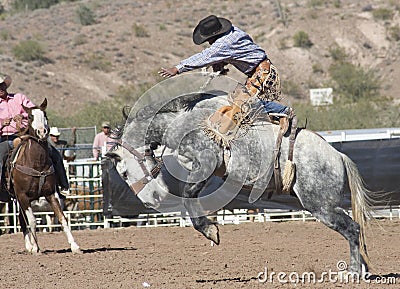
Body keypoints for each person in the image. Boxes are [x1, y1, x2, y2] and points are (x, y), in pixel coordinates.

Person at [159, 15, 292, 137]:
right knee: (238, 102)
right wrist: (222, 61)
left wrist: (177, 68)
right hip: (259, 70)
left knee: (245, 104)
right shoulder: (233, 31)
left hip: (262, 73)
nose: (208, 42)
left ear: (214, 36)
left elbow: (204, 56)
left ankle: (282, 111)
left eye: (208, 39)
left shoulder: (223, 44)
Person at [0, 73, 70, 195]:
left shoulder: (19, 98)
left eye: (2, 85)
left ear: (6, 86)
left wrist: (23, 116)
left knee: (55, 154)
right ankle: (2, 190)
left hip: (28, 136)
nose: (0, 88)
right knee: (0, 158)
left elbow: (36, 112)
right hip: (6, 138)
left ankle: (63, 186)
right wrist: (1, 123)